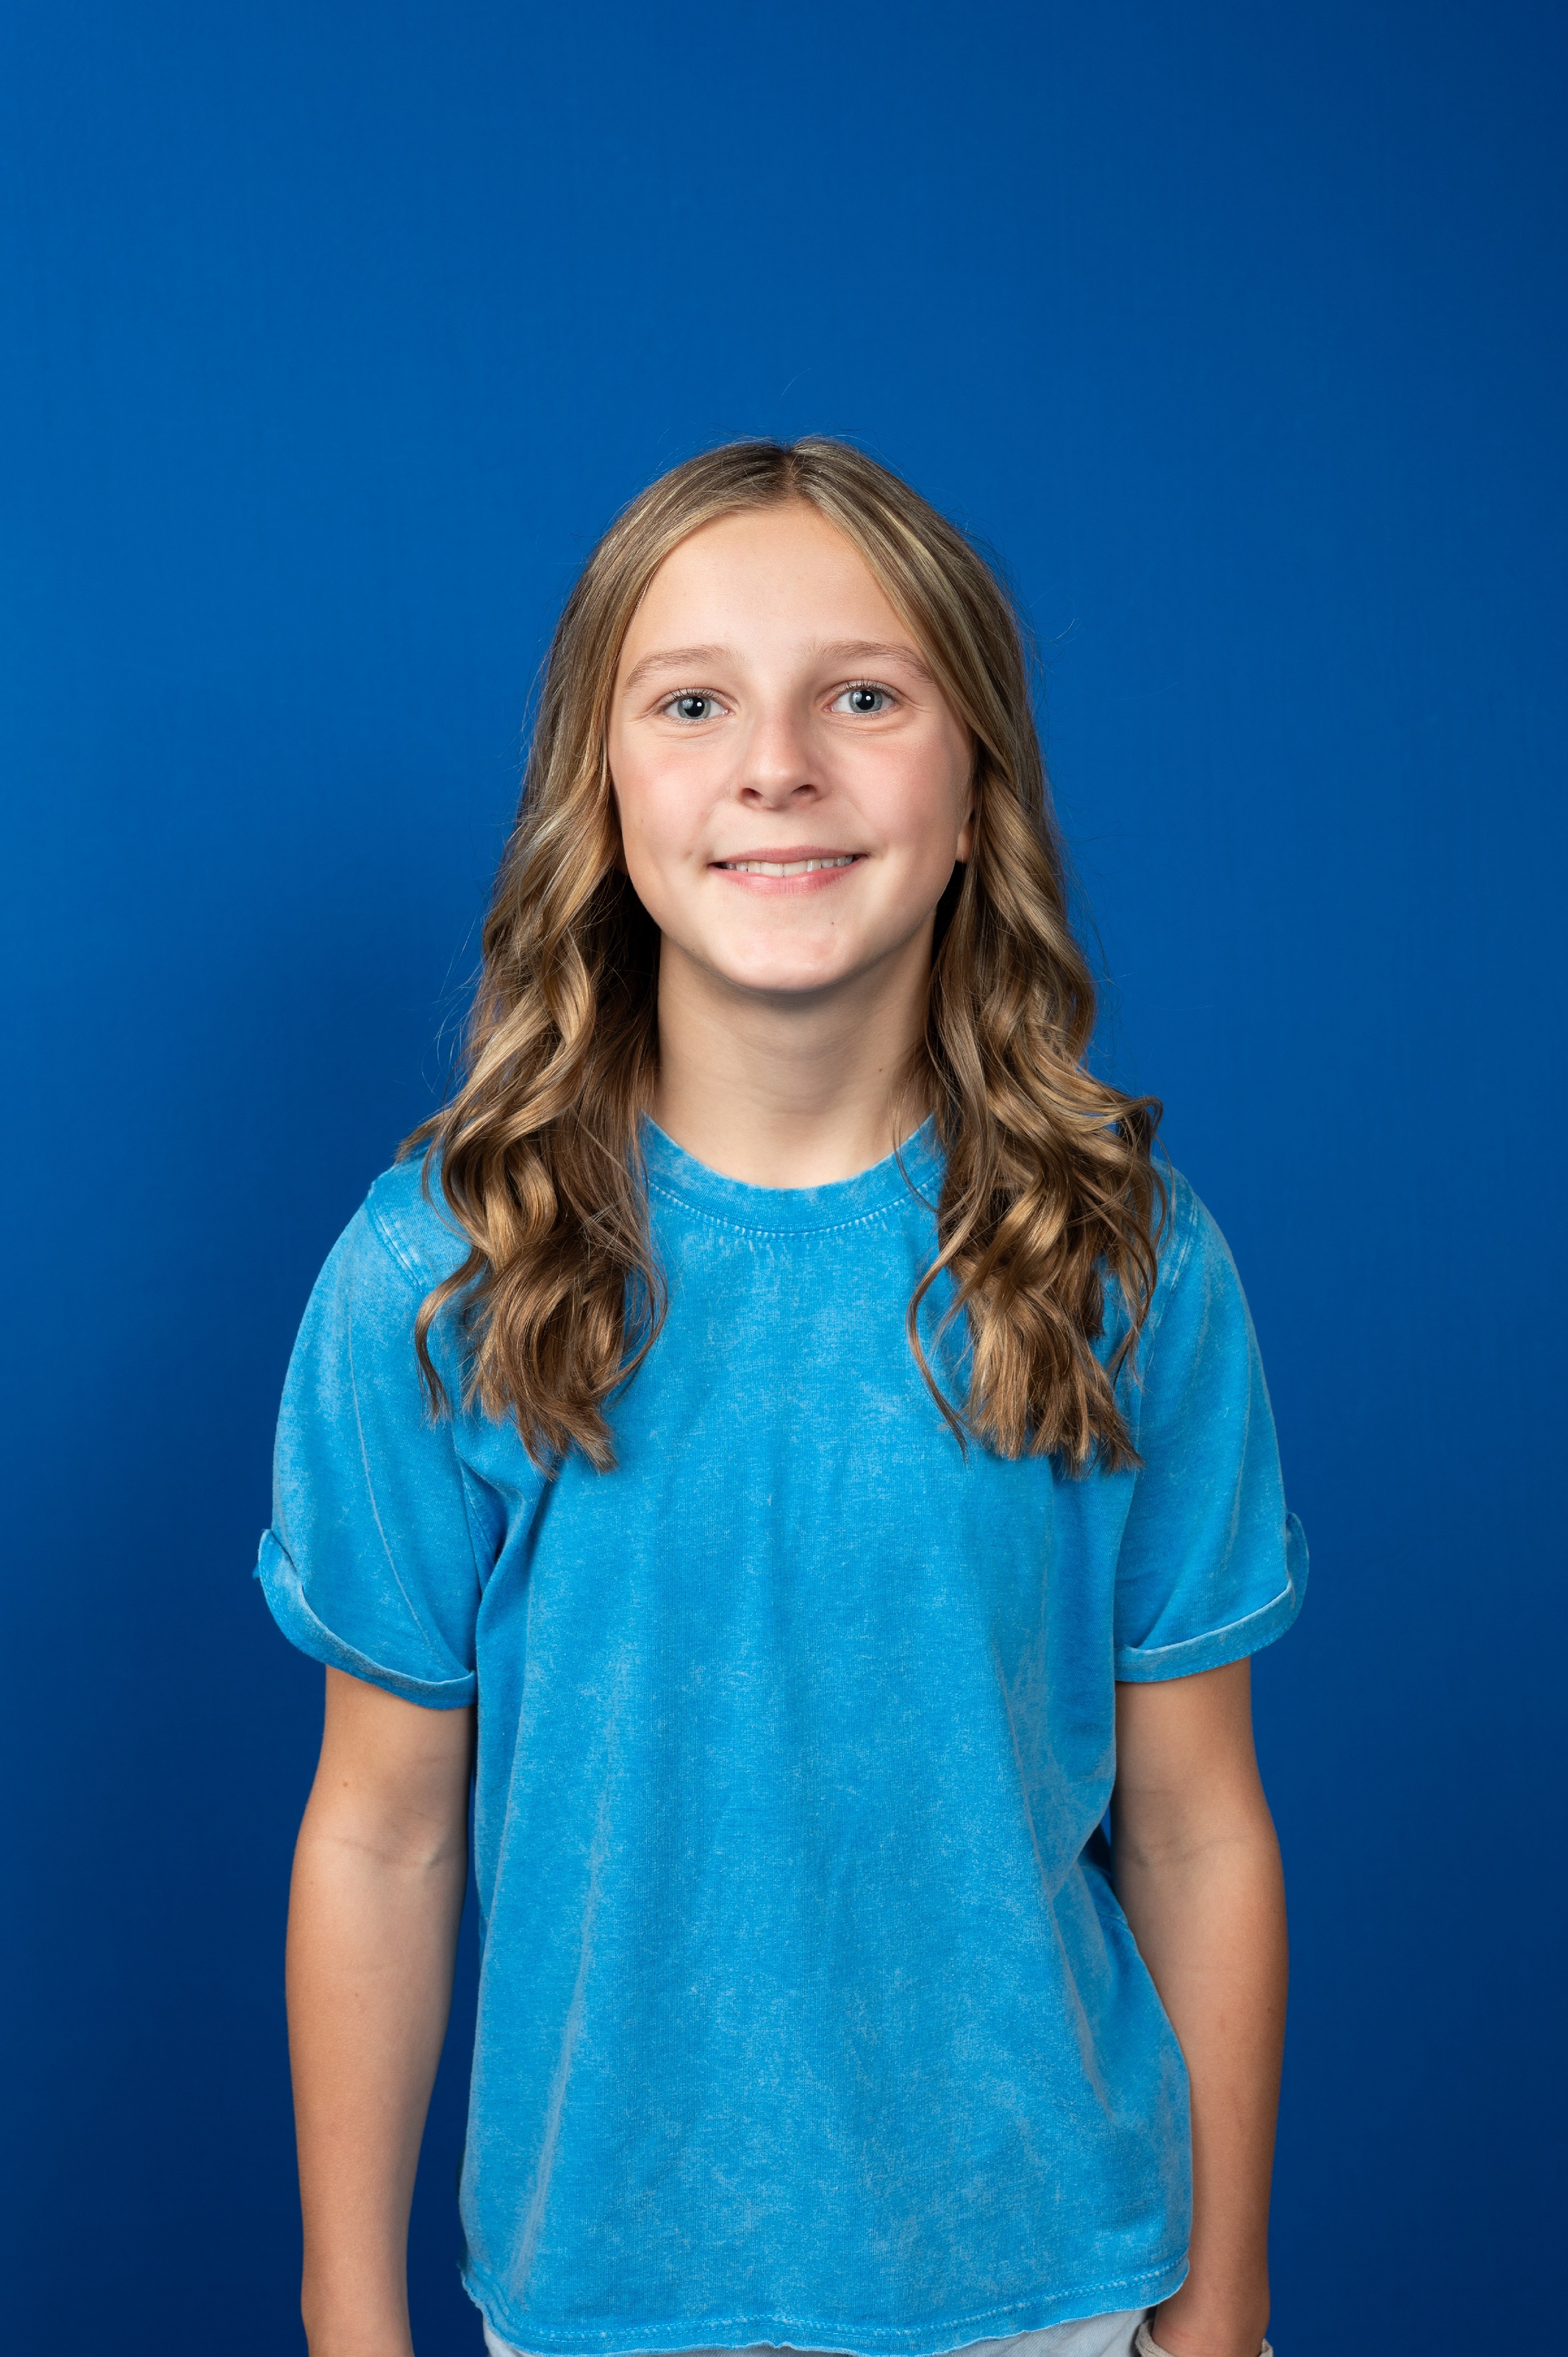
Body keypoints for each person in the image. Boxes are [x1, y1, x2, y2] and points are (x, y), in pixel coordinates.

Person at [259, 438, 1305, 2357]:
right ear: (603, 791)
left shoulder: (1124, 1264)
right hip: (600, 2300)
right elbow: (382, 1836)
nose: (777, 766)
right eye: (693, 702)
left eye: (864, 696)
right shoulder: (442, 1277)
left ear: (977, 788)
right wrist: (350, 2324)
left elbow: (1196, 1826)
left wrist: (1224, 2312)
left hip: (1053, 2292)